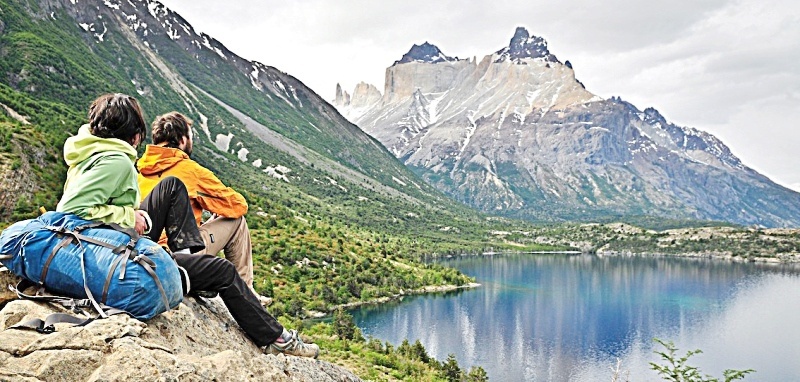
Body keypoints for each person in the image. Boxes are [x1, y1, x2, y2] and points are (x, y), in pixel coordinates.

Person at [55, 93, 318, 358]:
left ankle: (188, 259)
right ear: (135, 134)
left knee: (171, 187)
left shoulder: (95, 155)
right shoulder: (118, 161)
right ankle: (275, 338)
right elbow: (70, 210)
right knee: (224, 271)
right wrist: (129, 216)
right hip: (124, 256)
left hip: (114, 245)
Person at [136, 112, 265, 303]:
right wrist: (215, 209)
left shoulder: (141, 169)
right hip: (179, 253)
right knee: (237, 221)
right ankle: (247, 293)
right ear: (181, 140)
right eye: (190, 137)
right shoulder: (190, 170)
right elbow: (238, 206)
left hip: (147, 249)